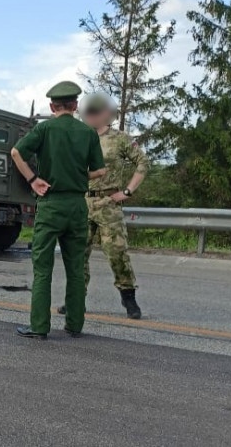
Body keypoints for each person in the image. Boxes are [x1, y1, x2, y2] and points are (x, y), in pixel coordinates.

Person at [10, 81, 106, 339]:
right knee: (76, 267)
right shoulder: (88, 133)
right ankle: (75, 324)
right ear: (75, 106)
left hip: (51, 203)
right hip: (77, 205)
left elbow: (16, 152)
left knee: (43, 267)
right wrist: (78, 177)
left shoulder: (45, 129)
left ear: (53, 106)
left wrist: (33, 179)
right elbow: (101, 170)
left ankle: (40, 326)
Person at [56, 92, 148, 319]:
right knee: (77, 255)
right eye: (88, 113)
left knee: (117, 253)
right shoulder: (78, 137)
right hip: (82, 202)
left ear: (106, 114)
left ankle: (129, 299)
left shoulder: (119, 139)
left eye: (96, 112)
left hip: (108, 203)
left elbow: (143, 163)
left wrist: (127, 191)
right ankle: (76, 300)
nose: (91, 117)